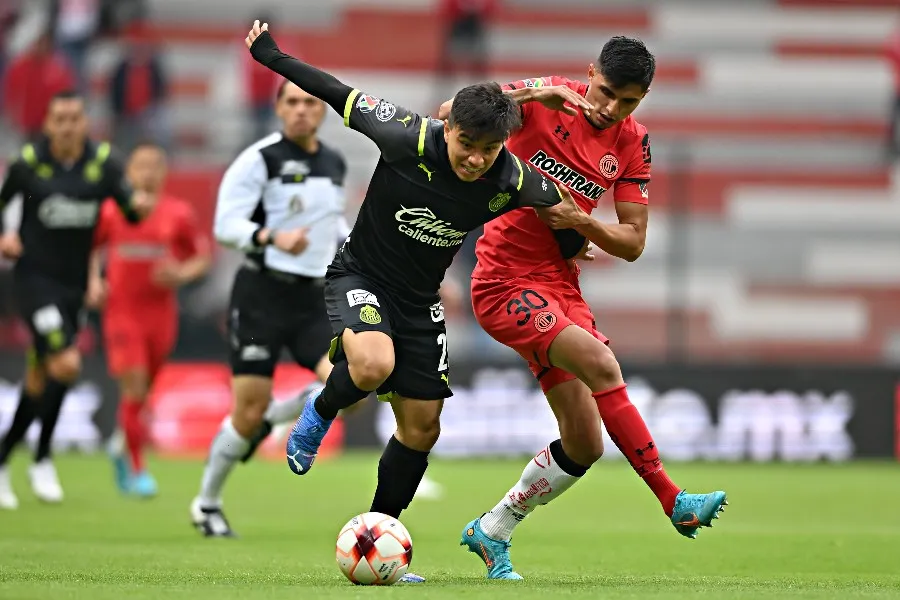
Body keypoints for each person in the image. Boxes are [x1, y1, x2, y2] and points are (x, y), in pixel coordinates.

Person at [245, 20, 574, 581]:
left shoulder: (514, 177)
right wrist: (270, 54)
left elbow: (559, 211)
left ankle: (379, 539)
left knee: (422, 428)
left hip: (421, 302)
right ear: (449, 129)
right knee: (373, 364)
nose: (475, 159)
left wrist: (573, 248)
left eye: (488, 149)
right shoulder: (406, 135)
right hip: (361, 275)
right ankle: (317, 414)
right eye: (467, 145)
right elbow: (333, 90)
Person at [435, 37, 728, 579]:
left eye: (629, 101)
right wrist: (536, 92)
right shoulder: (545, 101)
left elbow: (633, 242)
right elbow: (452, 113)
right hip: (502, 281)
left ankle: (493, 528)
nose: (612, 108)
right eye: (607, 93)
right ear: (589, 73)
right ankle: (672, 498)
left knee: (585, 442)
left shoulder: (635, 143)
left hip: (560, 286)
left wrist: (583, 223)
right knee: (601, 364)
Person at [190, 77, 348, 537]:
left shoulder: (334, 161)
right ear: (279, 109)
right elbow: (225, 226)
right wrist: (270, 236)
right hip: (261, 295)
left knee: (352, 383)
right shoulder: (259, 160)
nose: (301, 110)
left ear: (322, 112)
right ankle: (207, 503)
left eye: (310, 103)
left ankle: (277, 421)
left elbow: (332, 222)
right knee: (247, 412)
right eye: (292, 102)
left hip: (312, 298)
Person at [0, 90, 148, 510]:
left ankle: (4, 460)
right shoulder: (29, 163)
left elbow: (129, 210)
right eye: (59, 119)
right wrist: (5, 235)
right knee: (66, 364)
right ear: (48, 124)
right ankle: (43, 458)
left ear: (86, 123)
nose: (67, 126)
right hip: (33, 280)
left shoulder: (102, 164)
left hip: (73, 288)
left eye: (74, 118)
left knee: (39, 378)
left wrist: (138, 205)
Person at [89, 141, 211, 497]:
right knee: (135, 385)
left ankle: (119, 443)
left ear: (164, 173)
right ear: (129, 173)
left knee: (144, 394)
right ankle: (137, 469)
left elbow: (200, 257)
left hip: (161, 315)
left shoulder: (177, 213)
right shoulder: (112, 210)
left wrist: (180, 274)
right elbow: (90, 247)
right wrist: (93, 280)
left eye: (155, 165)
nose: (148, 173)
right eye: (141, 165)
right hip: (122, 312)